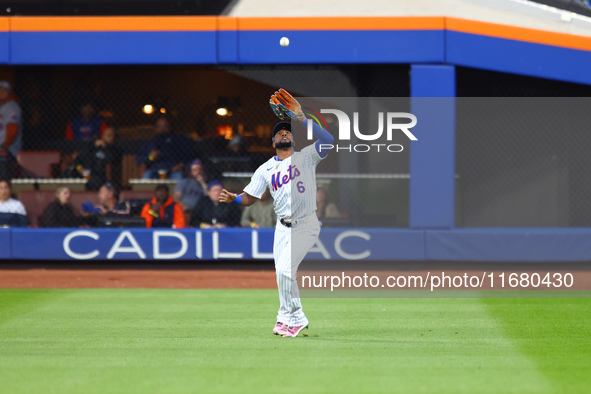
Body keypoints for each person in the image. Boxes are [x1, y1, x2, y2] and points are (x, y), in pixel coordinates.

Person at [219, 88, 334, 337]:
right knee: (281, 274)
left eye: (287, 131)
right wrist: (235, 198)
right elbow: (251, 198)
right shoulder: (265, 169)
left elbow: (329, 140)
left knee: (284, 271)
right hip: (282, 227)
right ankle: (284, 317)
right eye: (279, 132)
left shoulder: (307, 157)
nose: (284, 133)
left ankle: (298, 317)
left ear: (293, 140)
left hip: (305, 223)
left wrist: (302, 118)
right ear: (273, 142)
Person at [0, 81, 22, 180]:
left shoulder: (12, 106)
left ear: (9, 92)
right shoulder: (2, 106)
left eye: (3, 90)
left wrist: (5, 145)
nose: (1, 92)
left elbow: (12, 130)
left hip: (9, 150)